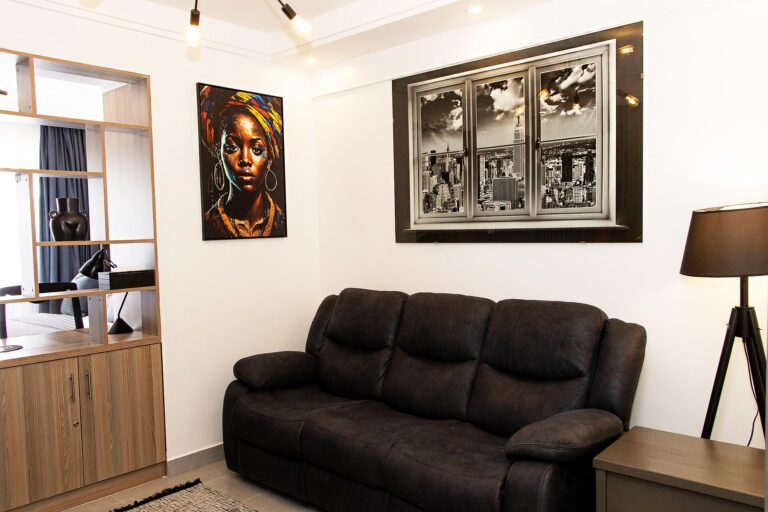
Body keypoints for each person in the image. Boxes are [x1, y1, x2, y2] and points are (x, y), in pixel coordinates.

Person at [199, 86, 285, 238]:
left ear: (270, 158)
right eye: (232, 147)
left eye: (257, 150)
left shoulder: (282, 223)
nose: (245, 159)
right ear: (219, 153)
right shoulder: (208, 224)